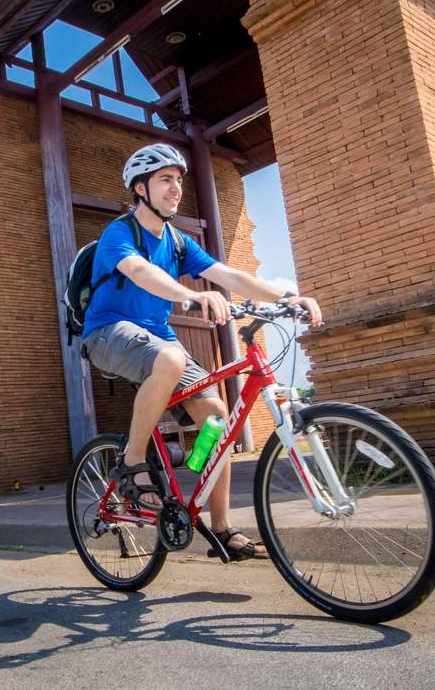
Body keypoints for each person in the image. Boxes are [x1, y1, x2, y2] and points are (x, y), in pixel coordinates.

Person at [81, 143, 323, 560]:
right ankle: (132, 464)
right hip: (107, 333)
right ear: (140, 188)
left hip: (156, 337)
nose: (176, 188)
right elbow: (141, 272)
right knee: (171, 359)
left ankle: (223, 528)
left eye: (178, 180)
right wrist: (189, 297)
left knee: (218, 420)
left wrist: (288, 295)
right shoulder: (120, 233)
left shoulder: (176, 241)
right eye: (164, 180)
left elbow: (225, 273)